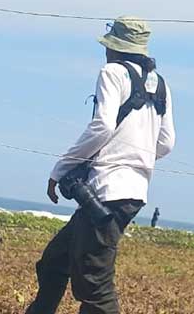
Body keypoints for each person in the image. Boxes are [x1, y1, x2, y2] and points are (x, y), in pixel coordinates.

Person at [26, 17, 176, 314]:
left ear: (115, 49)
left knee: (95, 287)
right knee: (55, 261)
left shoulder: (112, 72)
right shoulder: (161, 85)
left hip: (107, 190)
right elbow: (167, 142)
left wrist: (61, 169)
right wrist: (136, 159)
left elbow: (102, 127)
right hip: (132, 191)